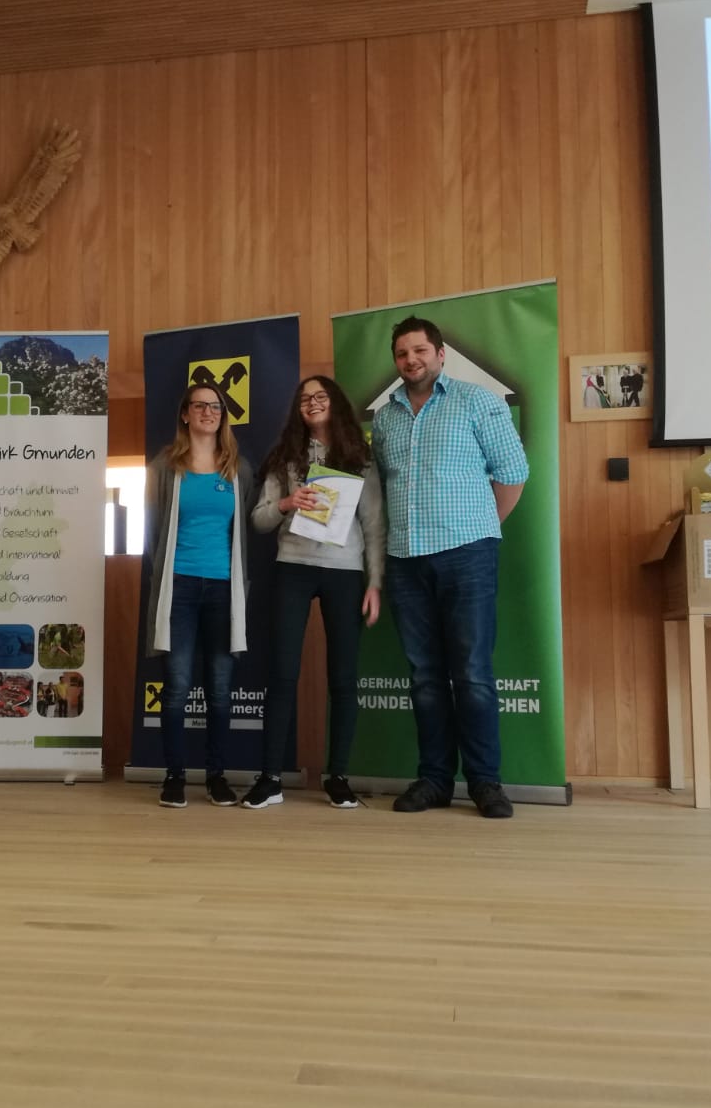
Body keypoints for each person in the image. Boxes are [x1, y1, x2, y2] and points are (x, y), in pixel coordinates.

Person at [372, 315, 528, 819]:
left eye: (420, 350)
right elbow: (384, 483)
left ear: (440, 354)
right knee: (424, 677)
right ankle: (435, 780)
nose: (411, 360)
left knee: (473, 674)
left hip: (468, 555)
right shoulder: (386, 418)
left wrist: (480, 527)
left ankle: (485, 783)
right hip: (405, 560)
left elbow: (513, 473)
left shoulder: (477, 401)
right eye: (402, 354)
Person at [242, 376, 384, 810]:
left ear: (335, 403)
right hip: (293, 566)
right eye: (304, 398)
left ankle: (337, 776)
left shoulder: (359, 456)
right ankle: (270, 778)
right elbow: (259, 520)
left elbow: (375, 525)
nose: (312, 403)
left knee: (343, 678)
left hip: (345, 571)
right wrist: (287, 503)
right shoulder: (285, 456)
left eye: (320, 396)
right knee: (282, 674)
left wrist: (375, 582)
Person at [143, 381, 250, 809]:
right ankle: (174, 776)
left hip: (224, 588)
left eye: (216, 406)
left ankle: (216, 776)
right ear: (185, 414)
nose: (209, 412)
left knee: (220, 688)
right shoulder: (164, 467)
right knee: (177, 686)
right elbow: (153, 533)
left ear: (223, 415)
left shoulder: (239, 469)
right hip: (179, 588)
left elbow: (247, 531)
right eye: (200, 405)